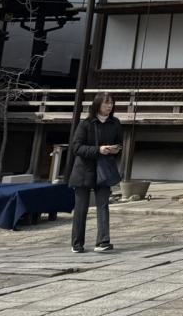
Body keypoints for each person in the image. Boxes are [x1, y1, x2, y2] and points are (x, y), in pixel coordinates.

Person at [68, 92, 122, 253]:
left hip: (104, 169)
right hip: (84, 170)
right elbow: (76, 147)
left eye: (111, 103)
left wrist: (115, 149)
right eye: (106, 103)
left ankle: (103, 241)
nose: (109, 106)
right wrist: (98, 150)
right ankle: (77, 243)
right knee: (81, 208)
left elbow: (120, 143)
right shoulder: (86, 124)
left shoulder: (115, 123)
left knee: (103, 205)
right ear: (97, 104)